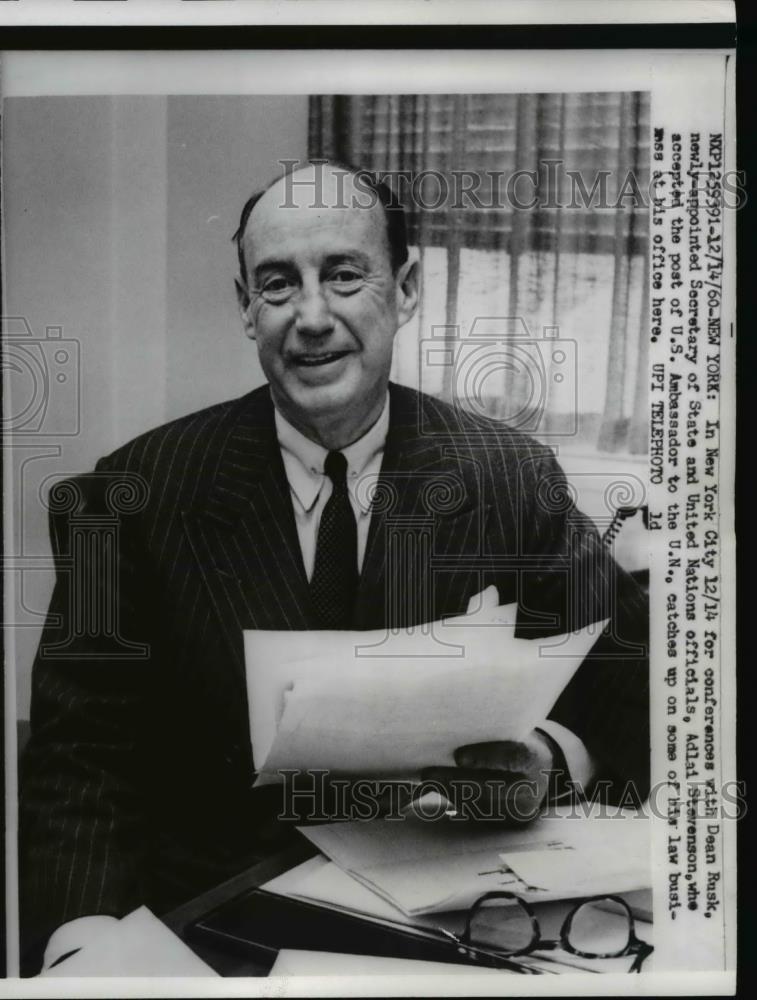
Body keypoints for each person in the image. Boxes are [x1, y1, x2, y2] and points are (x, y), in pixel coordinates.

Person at [19, 161, 649, 973]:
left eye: (344, 275)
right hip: (213, 929)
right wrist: (84, 946)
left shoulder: (512, 480)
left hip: (458, 929)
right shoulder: (125, 498)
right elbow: (80, 764)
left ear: (406, 288)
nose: (311, 317)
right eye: (277, 284)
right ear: (245, 308)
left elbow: (639, 704)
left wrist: (551, 760)